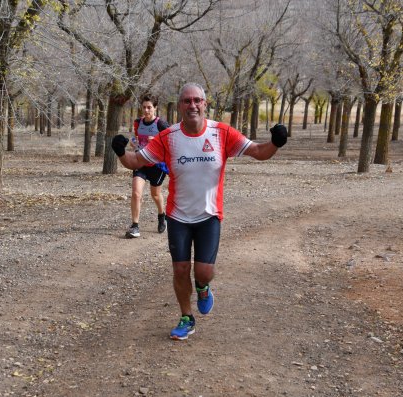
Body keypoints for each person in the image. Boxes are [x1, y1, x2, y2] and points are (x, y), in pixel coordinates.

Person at [111, 83, 287, 340]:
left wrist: (276, 142)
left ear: (205, 104)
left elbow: (258, 151)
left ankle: (203, 288)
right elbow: (136, 161)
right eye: (186, 101)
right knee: (181, 269)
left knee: (203, 272)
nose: (192, 105)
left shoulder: (221, 132)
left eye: (197, 101)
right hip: (178, 215)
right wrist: (119, 151)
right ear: (180, 106)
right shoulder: (168, 136)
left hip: (209, 215)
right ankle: (186, 317)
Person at [124, 94, 170, 238]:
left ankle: (162, 215)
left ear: (155, 108)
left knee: (155, 195)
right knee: (136, 193)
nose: (146, 110)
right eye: (144, 107)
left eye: (149, 107)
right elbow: (136, 137)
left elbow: (172, 141)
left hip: (157, 165)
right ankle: (135, 226)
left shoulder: (161, 124)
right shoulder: (138, 123)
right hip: (141, 161)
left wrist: (157, 140)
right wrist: (133, 141)